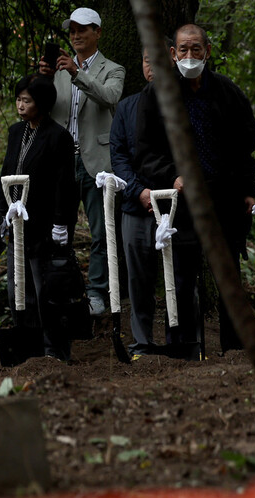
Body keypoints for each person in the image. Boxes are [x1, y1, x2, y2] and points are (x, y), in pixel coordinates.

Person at [136, 24, 255, 354]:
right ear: (173, 54)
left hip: (225, 200)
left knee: (228, 276)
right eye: (183, 50)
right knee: (181, 277)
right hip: (180, 203)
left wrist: (248, 189)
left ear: (207, 50)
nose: (190, 56)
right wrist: (171, 176)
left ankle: (234, 347)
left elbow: (245, 147)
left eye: (196, 49)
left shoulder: (228, 93)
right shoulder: (156, 95)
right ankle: (184, 349)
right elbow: (145, 152)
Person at [39, 6, 125, 318]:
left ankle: (98, 293)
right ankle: (60, 291)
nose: (76, 35)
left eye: (83, 29)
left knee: (102, 232)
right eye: (72, 30)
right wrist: (43, 79)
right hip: (60, 162)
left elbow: (110, 97)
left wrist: (77, 74)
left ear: (97, 32)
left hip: (97, 162)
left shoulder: (114, 69)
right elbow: (41, 108)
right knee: (57, 229)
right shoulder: (59, 71)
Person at [0, 75, 78, 360]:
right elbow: (7, 171)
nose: (20, 105)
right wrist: (2, 211)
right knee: (17, 288)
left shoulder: (58, 136)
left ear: (41, 103)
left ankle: (54, 349)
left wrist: (60, 222)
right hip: (16, 222)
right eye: (18, 99)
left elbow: (63, 183)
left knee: (47, 291)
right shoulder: (17, 132)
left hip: (43, 224)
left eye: (26, 100)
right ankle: (27, 347)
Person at [111, 47, 157, 356]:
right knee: (138, 277)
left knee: (181, 273)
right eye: (145, 59)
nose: (151, 65)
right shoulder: (127, 107)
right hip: (135, 205)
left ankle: (184, 338)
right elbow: (119, 156)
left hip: (177, 204)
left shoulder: (186, 104)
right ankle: (142, 340)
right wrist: (139, 192)